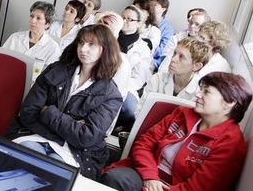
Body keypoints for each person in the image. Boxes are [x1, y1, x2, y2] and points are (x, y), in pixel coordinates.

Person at [101, 72, 252, 191]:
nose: (198, 95)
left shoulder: (230, 144)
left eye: (207, 92)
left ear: (230, 102)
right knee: (115, 178)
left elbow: (198, 188)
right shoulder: (183, 113)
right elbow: (144, 144)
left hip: (175, 187)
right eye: (201, 89)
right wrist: (150, 177)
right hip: (145, 173)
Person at [10, 25, 123, 180]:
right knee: (28, 154)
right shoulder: (56, 70)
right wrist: (71, 126)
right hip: (36, 136)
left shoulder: (111, 94)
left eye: (91, 45)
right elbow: (29, 111)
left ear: (105, 49)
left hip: (76, 153)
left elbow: (86, 137)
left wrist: (47, 112)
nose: (83, 49)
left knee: (55, 170)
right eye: (81, 43)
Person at [136, 38, 212, 115]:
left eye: (181, 57)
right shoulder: (158, 79)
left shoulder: (199, 92)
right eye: (174, 53)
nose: (173, 59)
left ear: (196, 66)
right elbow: (140, 111)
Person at [2, 1, 60, 81]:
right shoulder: (15, 37)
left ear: (48, 24)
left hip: (32, 88)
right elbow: (1, 61)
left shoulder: (53, 48)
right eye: (31, 16)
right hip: (7, 80)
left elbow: (48, 77)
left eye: (38, 18)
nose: (32, 21)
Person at [115, 5, 152, 129]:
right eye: (123, 17)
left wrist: (120, 86)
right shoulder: (111, 38)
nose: (125, 21)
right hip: (103, 81)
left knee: (129, 109)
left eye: (129, 19)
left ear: (139, 23)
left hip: (128, 86)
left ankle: (114, 126)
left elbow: (138, 79)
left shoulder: (143, 48)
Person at [151, 0, 174, 70]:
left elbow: (163, 50)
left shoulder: (168, 29)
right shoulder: (145, 22)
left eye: (155, 5)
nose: (151, 7)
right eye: (150, 4)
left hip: (154, 60)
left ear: (163, 9)